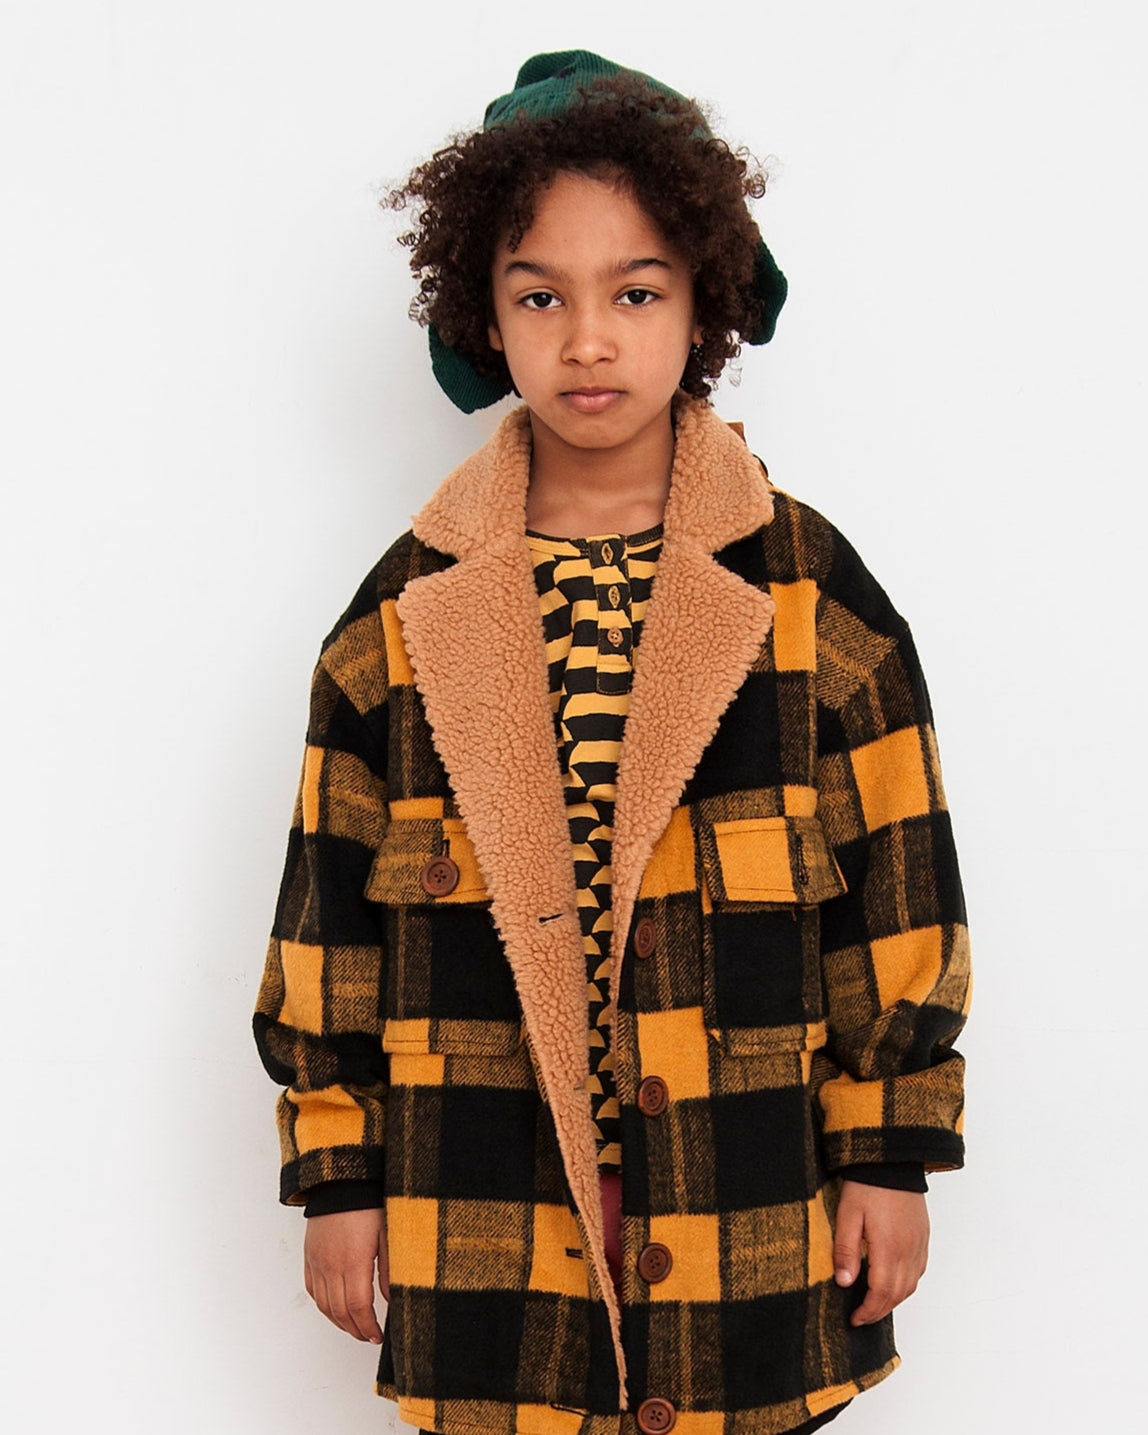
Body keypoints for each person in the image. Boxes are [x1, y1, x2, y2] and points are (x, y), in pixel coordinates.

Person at [252, 50, 971, 1435]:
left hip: (745, 1208)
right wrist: (335, 1174)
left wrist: (890, 1151)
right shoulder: (403, 618)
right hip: (486, 1211)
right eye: (542, 297)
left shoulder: (809, 594)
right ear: (486, 316)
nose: (589, 340)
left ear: (704, 303)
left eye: (635, 293)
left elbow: (903, 890)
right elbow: (323, 921)